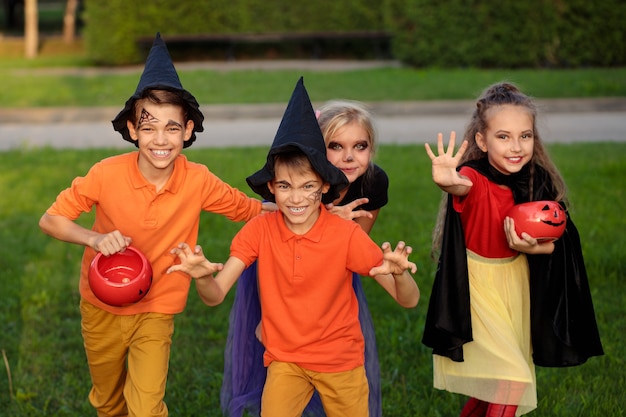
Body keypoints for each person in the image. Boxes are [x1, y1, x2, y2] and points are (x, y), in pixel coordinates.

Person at [38, 33, 272, 417]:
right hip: (101, 305)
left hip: (157, 306)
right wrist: (94, 238)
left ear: (188, 129)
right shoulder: (105, 174)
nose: (160, 140)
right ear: (132, 129)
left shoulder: (198, 180)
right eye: (149, 128)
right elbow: (51, 220)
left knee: (146, 408)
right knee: (109, 402)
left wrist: (315, 209)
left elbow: (249, 209)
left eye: (172, 128)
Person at [168, 77, 420, 417]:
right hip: (285, 361)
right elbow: (214, 296)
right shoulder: (259, 230)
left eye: (308, 186)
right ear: (271, 187)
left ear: (324, 187)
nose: (297, 197)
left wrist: (399, 273)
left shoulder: (347, 235)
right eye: (285, 186)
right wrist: (201, 277)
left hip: (340, 361)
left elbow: (408, 299)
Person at [421, 82, 603, 417]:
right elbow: (459, 185)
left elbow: (559, 241)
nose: (516, 146)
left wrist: (538, 250)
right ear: (481, 140)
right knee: (513, 379)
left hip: (516, 287)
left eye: (525, 135)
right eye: (503, 136)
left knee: (497, 385)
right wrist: (445, 179)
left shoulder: (537, 180)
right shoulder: (474, 176)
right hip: (478, 288)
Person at [220, 99, 389, 417]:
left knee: (329, 344)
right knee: (278, 350)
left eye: (360, 146)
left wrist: (336, 229)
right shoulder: (294, 187)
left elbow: (360, 244)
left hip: (332, 265)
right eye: (335, 146)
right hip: (276, 268)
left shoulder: (373, 182)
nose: (349, 157)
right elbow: (275, 223)